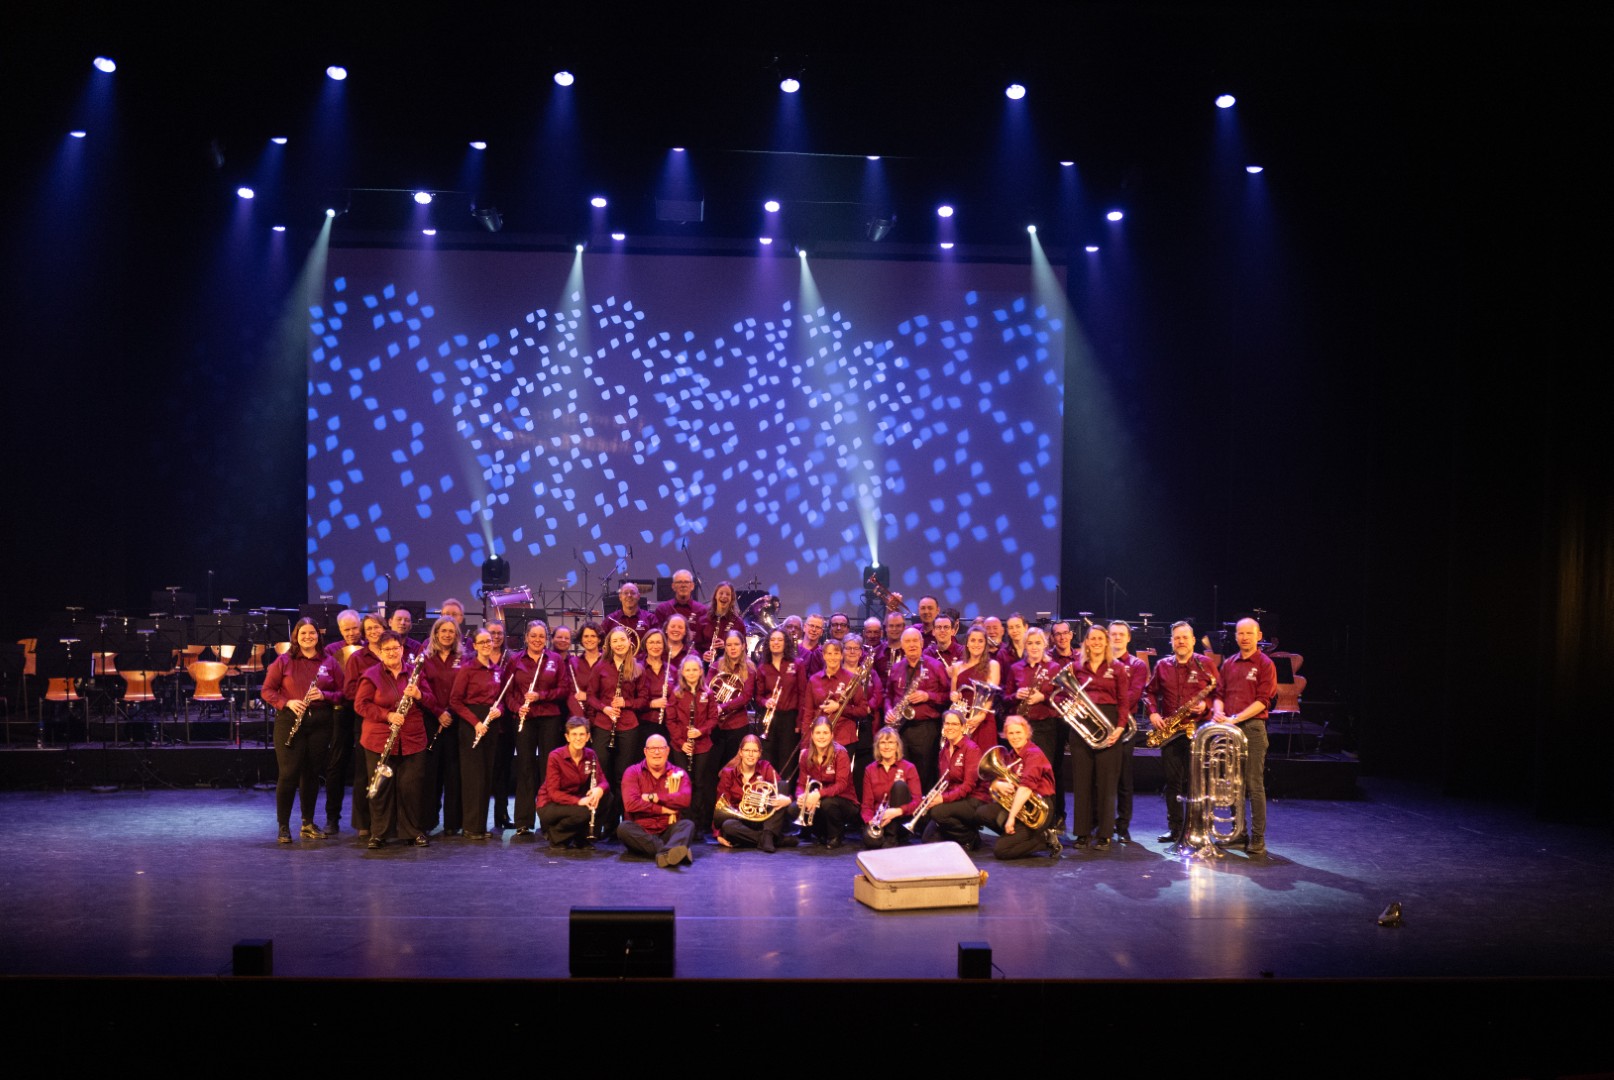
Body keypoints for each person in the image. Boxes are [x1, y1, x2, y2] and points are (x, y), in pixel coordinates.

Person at [353, 630, 435, 848]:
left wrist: (419, 695)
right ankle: (379, 833)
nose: (391, 652)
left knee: (411, 788)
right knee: (381, 788)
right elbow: (360, 705)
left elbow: (431, 701)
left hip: (412, 738)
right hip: (379, 739)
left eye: (395, 648)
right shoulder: (371, 675)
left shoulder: (415, 673)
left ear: (402, 650)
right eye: (386, 649)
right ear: (380, 652)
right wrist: (387, 715)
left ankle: (412, 831)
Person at [262, 617, 340, 843]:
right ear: (295, 636)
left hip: (320, 723)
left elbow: (344, 693)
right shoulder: (284, 661)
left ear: (318, 636)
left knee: (312, 775)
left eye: (312, 633)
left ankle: (307, 823)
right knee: (288, 774)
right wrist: (287, 702)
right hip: (290, 721)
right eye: (303, 633)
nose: (308, 637)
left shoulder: (329, 662)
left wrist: (325, 695)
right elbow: (267, 691)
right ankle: (283, 826)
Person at [1145, 621, 1216, 845]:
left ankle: (1198, 828)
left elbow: (1218, 692)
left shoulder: (1206, 664)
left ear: (1193, 640)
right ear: (1172, 641)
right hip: (1171, 731)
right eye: (1177, 638)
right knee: (1172, 782)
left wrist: (1206, 706)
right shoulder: (1162, 665)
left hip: (1198, 730)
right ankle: (1175, 828)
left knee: (1198, 782)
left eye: (1185, 637)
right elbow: (1149, 692)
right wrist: (1153, 713)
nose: (1181, 641)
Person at [1212, 617, 1277, 857]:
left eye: (1249, 633)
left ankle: (1258, 838)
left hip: (1252, 728)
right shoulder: (1229, 663)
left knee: (1253, 784)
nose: (1245, 637)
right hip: (1230, 729)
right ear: (1236, 636)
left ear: (1258, 636)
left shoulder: (1265, 664)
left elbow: (1263, 701)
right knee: (1233, 783)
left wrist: (1235, 718)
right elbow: (1219, 695)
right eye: (1241, 633)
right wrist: (1218, 711)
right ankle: (1238, 834)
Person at [1066, 623, 1128, 850]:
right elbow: (1067, 694)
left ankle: (1104, 834)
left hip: (1109, 723)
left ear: (1106, 642)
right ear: (1086, 642)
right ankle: (1082, 833)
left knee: (1106, 783)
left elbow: (1124, 701)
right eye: (1092, 639)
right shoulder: (1076, 667)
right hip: (1082, 724)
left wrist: (1120, 727)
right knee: (1082, 781)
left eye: (1100, 639)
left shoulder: (1117, 668)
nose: (1096, 642)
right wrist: (1074, 704)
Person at [588, 626, 649, 836]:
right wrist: (604, 708)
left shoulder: (638, 668)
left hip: (628, 726)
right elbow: (591, 696)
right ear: (609, 645)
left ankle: (624, 826)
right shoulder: (600, 667)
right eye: (615, 641)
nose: (619, 644)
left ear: (629, 642)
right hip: (604, 725)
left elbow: (644, 700)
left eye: (622, 640)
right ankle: (606, 823)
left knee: (623, 776)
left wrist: (626, 703)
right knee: (603, 774)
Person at [510, 621, 568, 837]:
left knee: (548, 769)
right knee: (525, 767)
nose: (537, 640)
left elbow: (563, 689)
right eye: (533, 636)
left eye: (541, 636)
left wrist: (541, 696)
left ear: (547, 639)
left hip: (549, 718)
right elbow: (508, 692)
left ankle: (547, 821)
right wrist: (517, 708)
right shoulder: (515, 660)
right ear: (526, 637)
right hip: (525, 718)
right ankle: (523, 821)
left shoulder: (555, 660)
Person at [1006, 627, 1065, 832]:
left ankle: (1049, 822)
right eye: (1029, 643)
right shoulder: (1016, 668)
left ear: (1045, 645)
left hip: (1046, 727)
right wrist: (1015, 696)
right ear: (1024, 645)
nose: (1033, 647)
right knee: (1022, 774)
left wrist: (1044, 698)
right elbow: (1005, 698)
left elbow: (1063, 697)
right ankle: (1026, 818)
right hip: (1021, 729)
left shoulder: (1054, 668)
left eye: (1038, 643)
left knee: (1044, 775)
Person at [450, 628, 507, 840]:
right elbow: (455, 701)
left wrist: (499, 709)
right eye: (481, 642)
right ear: (474, 646)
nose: (486, 645)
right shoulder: (467, 669)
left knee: (486, 776)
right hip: (471, 723)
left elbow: (501, 700)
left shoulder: (497, 670)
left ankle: (481, 826)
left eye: (488, 641)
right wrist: (475, 722)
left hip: (490, 723)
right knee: (473, 777)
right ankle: (470, 826)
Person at [983, 716, 1063, 860]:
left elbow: (1025, 789)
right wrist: (997, 784)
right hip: (1021, 805)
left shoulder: (1034, 754)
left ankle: (1044, 839)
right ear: (1006, 735)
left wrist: (1011, 818)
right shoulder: (1012, 755)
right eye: (1011, 733)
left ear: (1027, 733)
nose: (1015, 737)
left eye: (1018, 732)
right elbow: (1002, 779)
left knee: (1002, 850)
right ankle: (1016, 837)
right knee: (983, 813)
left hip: (1039, 809)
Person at [616, 734, 695, 868]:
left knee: (687, 825)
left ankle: (663, 854)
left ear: (667, 751)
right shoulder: (632, 772)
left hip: (668, 830)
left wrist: (655, 797)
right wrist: (663, 809)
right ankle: (671, 852)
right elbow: (631, 804)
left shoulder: (678, 773)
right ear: (645, 751)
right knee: (624, 828)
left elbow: (684, 799)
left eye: (661, 748)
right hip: (642, 833)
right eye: (652, 749)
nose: (657, 752)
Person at [417, 615, 464, 836]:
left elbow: (465, 689)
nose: (447, 635)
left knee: (453, 774)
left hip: (456, 721)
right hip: (431, 720)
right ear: (435, 634)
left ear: (456, 635)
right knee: (431, 773)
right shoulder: (424, 658)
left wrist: (450, 713)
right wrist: (438, 712)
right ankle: (428, 820)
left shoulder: (464, 658)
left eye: (451, 631)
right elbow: (421, 688)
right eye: (443, 631)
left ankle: (452, 823)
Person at [341, 613, 387, 838]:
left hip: (392, 719)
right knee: (364, 772)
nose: (373, 632)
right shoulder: (357, 658)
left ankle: (386, 821)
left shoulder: (394, 652)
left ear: (384, 628)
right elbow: (349, 691)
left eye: (376, 627)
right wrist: (373, 697)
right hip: (366, 718)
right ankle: (364, 823)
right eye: (368, 629)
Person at [885, 628, 948, 792]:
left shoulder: (935, 666)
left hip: (926, 728)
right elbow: (888, 695)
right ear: (902, 645)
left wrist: (928, 696)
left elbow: (948, 695)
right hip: (901, 727)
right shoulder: (897, 668)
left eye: (915, 641)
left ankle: (924, 806)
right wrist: (888, 710)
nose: (912, 645)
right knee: (901, 772)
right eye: (907, 641)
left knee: (924, 772)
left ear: (921, 643)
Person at [320, 608, 364, 836]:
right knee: (336, 764)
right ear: (339, 630)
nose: (351, 633)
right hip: (340, 711)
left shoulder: (369, 648)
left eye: (354, 628)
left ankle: (365, 821)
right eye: (346, 630)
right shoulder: (331, 650)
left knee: (364, 766)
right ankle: (332, 818)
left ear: (361, 626)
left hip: (364, 712)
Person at [713, 734, 793, 851]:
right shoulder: (728, 774)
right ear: (740, 752)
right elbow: (720, 805)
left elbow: (781, 789)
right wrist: (718, 835)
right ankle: (771, 839)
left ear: (760, 754)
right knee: (728, 827)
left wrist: (789, 799)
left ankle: (768, 834)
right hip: (743, 820)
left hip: (765, 820)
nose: (750, 754)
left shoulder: (765, 767)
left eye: (755, 751)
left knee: (783, 785)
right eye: (747, 750)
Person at [666, 654, 718, 833]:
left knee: (700, 783)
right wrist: (681, 742)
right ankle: (685, 822)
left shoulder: (708, 693)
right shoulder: (676, 693)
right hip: (681, 746)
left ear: (701, 671)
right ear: (682, 672)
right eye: (687, 670)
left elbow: (713, 718)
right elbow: (670, 720)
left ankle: (698, 825)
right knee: (684, 783)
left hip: (702, 745)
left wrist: (700, 731)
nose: (691, 673)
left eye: (695, 669)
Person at [922, 710, 989, 849]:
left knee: (938, 812)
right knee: (928, 839)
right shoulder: (944, 751)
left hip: (973, 800)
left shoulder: (971, 749)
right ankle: (959, 832)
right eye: (947, 723)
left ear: (963, 727)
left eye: (954, 724)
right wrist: (934, 797)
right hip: (956, 799)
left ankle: (970, 837)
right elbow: (945, 783)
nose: (950, 727)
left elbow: (968, 786)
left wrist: (943, 799)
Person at [537, 717, 607, 849]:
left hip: (574, 802)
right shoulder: (555, 756)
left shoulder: (591, 754)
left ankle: (582, 839)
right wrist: (579, 801)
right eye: (574, 734)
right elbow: (553, 793)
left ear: (588, 737)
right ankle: (556, 836)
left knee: (607, 798)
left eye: (582, 734)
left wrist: (600, 789)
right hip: (550, 805)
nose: (578, 738)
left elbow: (603, 780)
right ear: (567, 737)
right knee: (584, 812)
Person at [1108, 620, 1149, 843]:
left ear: (1128, 638)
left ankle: (1122, 826)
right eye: (1113, 634)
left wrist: (1108, 708)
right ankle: (1100, 823)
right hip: (1101, 725)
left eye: (1121, 634)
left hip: (1124, 725)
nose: (1117, 637)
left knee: (1124, 778)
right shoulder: (1101, 662)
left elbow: (1133, 695)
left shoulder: (1137, 665)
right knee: (1102, 778)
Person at [794, 717, 858, 847]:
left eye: (825, 733)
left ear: (831, 735)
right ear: (812, 735)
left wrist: (819, 794)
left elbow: (841, 785)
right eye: (818, 733)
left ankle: (836, 835)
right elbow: (801, 784)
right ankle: (819, 833)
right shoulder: (806, 755)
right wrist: (801, 796)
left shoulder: (840, 754)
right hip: (820, 799)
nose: (821, 737)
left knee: (828, 803)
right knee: (793, 808)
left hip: (844, 802)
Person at [861, 725, 921, 848]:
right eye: (883, 742)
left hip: (901, 820)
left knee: (899, 786)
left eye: (891, 742)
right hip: (880, 821)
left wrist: (898, 811)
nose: (887, 746)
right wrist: (871, 821)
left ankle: (892, 837)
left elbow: (917, 801)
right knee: (870, 841)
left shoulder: (909, 768)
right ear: (877, 746)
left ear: (897, 746)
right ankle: (888, 838)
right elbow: (867, 804)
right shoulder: (870, 770)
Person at [755, 628, 802, 775]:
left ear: (786, 643)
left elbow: (803, 695)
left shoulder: (797, 664)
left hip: (790, 719)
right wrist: (765, 702)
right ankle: (768, 788)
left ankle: (784, 790)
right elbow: (758, 697)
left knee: (787, 762)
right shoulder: (762, 667)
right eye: (772, 640)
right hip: (770, 718)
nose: (776, 643)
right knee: (768, 759)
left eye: (780, 640)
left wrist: (799, 723)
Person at [707, 630, 756, 770]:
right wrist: (714, 707)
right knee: (712, 767)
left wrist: (722, 707)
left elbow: (745, 697)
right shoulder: (716, 666)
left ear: (743, 646)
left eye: (736, 644)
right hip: (715, 724)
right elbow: (707, 690)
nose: (733, 648)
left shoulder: (750, 669)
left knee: (732, 768)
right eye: (729, 645)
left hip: (737, 725)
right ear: (725, 647)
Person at [950, 625, 1001, 751]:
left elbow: (990, 695)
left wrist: (981, 716)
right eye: (973, 640)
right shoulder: (957, 666)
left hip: (984, 720)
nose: (976, 644)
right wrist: (954, 696)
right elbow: (953, 692)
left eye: (980, 641)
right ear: (967, 643)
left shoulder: (993, 665)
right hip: (962, 720)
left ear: (985, 644)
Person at [652, 570, 709, 642]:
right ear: (673, 586)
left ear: (692, 586)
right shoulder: (662, 609)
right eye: (679, 582)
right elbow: (658, 636)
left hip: (694, 648)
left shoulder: (702, 610)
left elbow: (705, 638)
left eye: (686, 582)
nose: (683, 585)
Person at [702, 582, 745, 663]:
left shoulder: (738, 623)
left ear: (732, 598)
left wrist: (727, 646)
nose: (724, 596)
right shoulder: (703, 620)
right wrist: (703, 655)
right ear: (715, 596)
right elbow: (695, 647)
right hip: (706, 666)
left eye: (728, 594)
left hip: (730, 666)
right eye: (721, 593)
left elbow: (744, 650)